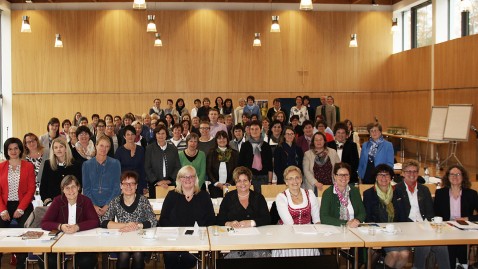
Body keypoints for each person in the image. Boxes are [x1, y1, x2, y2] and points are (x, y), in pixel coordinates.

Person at [393, 160, 450, 269]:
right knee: (425, 243)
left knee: (442, 245)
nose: (412, 174)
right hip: (405, 227)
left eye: (414, 171)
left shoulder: (424, 189)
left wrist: (427, 226)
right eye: (408, 171)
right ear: (403, 173)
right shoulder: (396, 190)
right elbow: (398, 215)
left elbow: (430, 213)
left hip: (424, 226)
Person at [159, 165, 215, 269]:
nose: (187, 179)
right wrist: (175, 232)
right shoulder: (172, 195)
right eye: (184, 176)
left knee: (188, 258)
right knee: (170, 256)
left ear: (196, 179)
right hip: (174, 239)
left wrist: (201, 232)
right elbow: (163, 219)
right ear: (179, 179)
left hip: (196, 240)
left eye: (191, 176)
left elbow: (211, 219)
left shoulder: (204, 196)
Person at [101, 171, 157, 269]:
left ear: (136, 186)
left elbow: (153, 220)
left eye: (132, 183)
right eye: (125, 184)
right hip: (122, 239)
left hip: (141, 239)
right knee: (124, 254)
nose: (129, 186)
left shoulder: (143, 201)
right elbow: (104, 222)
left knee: (138, 254)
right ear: (120, 186)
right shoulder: (115, 201)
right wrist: (126, 225)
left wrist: (137, 225)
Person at [41, 175, 99, 269]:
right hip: (60, 241)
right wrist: (60, 226)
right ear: (63, 189)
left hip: (82, 241)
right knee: (49, 260)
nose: (70, 191)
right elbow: (44, 222)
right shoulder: (57, 201)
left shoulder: (86, 201)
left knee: (87, 260)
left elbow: (95, 221)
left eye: (73, 187)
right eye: (67, 188)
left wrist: (77, 227)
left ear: (78, 188)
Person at [363, 164, 410, 269]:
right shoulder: (369, 194)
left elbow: (404, 214)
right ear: (376, 177)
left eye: (386, 175)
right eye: (380, 175)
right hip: (379, 232)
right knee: (394, 254)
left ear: (391, 177)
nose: (383, 178)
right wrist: (380, 230)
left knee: (405, 254)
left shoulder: (398, 192)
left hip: (398, 231)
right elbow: (368, 217)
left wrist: (399, 230)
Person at [0, 138, 36, 269]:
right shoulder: (1, 167)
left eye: (16, 148)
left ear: (20, 149)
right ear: (6, 151)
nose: (13, 151)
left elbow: (31, 189)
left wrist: (21, 208)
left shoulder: (28, 166)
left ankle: (21, 265)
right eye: (10, 149)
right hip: (4, 205)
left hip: (23, 205)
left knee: (23, 236)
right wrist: (2, 210)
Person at [434, 165, 478, 268]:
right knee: (451, 238)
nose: (455, 176)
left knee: (460, 237)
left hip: (465, 227)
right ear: (447, 177)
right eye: (452, 174)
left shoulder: (471, 194)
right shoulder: (440, 193)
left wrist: (467, 218)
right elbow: (436, 214)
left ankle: (460, 264)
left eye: (458, 174)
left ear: (463, 177)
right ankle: (455, 265)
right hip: (446, 227)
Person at [273, 165, 320, 257]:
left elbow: (317, 219)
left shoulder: (310, 194)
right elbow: (289, 222)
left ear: (301, 179)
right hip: (287, 232)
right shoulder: (281, 197)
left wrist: (317, 237)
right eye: (290, 178)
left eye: (297, 177)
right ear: (286, 182)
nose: (294, 181)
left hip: (308, 232)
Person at [82, 136, 121, 217]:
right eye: (101, 145)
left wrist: (107, 205)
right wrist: (94, 206)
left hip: (110, 204)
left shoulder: (115, 163)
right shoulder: (86, 165)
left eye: (107, 146)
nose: (104, 149)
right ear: (96, 146)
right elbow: (86, 188)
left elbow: (116, 187)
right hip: (92, 205)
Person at [320, 162, 366, 227]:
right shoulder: (328, 193)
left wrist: (357, 220)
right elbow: (324, 218)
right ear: (334, 176)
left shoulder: (355, 191)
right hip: (336, 229)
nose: (344, 178)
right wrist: (346, 223)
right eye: (340, 175)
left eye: (346, 175)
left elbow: (362, 212)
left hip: (354, 227)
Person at [39, 137, 82, 205]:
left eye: (61, 147)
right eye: (55, 147)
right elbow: (43, 188)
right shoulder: (48, 164)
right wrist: (49, 202)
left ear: (66, 149)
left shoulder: (76, 164)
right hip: (52, 203)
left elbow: (79, 186)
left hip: (72, 202)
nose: (58, 149)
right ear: (53, 150)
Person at [145, 125, 181, 198]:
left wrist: (169, 180)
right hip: (154, 184)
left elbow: (177, 166)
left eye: (163, 133)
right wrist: (157, 181)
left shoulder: (173, 149)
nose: (160, 135)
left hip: (170, 184)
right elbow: (147, 167)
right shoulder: (149, 148)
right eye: (158, 133)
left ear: (166, 135)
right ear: (155, 135)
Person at [238, 120, 273, 193]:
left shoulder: (266, 146)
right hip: (249, 177)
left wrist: (269, 182)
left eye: (256, 129)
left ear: (261, 130)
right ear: (249, 131)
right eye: (252, 129)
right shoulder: (245, 145)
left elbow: (270, 166)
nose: (254, 131)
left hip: (264, 177)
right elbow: (240, 164)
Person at [115, 125, 147, 196]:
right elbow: (117, 171)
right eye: (128, 134)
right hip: (125, 185)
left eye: (132, 134)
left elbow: (143, 168)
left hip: (138, 184)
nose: (130, 136)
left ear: (135, 136)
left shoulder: (141, 149)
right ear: (124, 136)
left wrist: (144, 185)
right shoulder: (119, 151)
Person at [207, 131, 239, 198]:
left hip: (231, 186)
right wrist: (216, 183)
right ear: (216, 140)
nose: (222, 140)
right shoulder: (211, 153)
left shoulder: (234, 153)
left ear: (227, 139)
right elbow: (208, 170)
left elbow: (236, 170)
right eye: (219, 138)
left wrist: (230, 183)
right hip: (215, 186)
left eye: (224, 138)